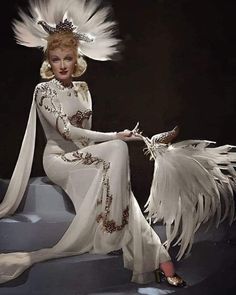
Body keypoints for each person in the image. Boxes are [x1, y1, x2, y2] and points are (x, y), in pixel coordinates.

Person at [0, 0, 186, 287]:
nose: (62, 65)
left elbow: (86, 134)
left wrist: (119, 141)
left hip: (84, 156)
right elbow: (68, 132)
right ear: (48, 61)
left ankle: (159, 260)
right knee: (116, 149)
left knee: (119, 174)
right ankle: (118, 235)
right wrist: (115, 137)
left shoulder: (84, 89)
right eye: (56, 58)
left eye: (68, 58)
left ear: (77, 59)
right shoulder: (43, 91)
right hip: (58, 161)